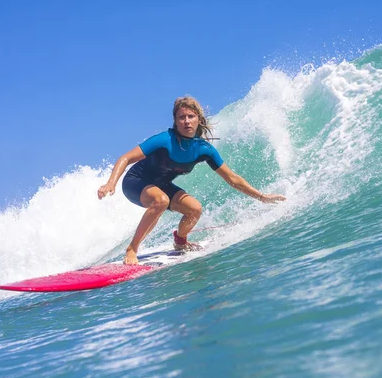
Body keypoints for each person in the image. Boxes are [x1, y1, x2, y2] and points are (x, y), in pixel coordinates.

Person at [97, 96, 286, 265]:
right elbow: (126, 158)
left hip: (161, 185)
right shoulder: (164, 140)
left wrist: (262, 197)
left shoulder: (204, 149)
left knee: (195, 209)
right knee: (161, 200)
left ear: (199, 120)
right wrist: (111, 183)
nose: (186, 121)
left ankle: (180, 241)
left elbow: (232, 179)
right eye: (181, 117)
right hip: (135, 181)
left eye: (191, 116)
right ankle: (132, 249)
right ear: (176, 122)